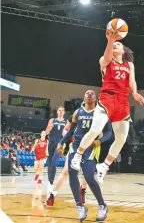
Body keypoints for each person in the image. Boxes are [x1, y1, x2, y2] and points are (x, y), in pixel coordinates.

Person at [71, 30, 144, 183]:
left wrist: (135, 93)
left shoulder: (129, 64)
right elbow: (106, 56)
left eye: (118, 44)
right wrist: (110, 41)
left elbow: (132, 80)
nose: (115, 46)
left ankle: (104, 167)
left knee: (121, 139)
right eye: (114, 45)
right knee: (95, 130)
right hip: (107, 98)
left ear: (124, 51)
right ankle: (78, 155)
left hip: (122, 101)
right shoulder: (105, 60)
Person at [57, 90, 112, 221]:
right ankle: (80, 206)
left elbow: (109, 132)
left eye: (92, 93)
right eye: (87, 93)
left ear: (96, 98)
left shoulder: (101, 113)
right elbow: (70, 131)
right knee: (72, 172)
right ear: (84, 97)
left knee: (88, 176)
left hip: (90, 147)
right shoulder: (77, 112)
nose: (89, 94)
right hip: (76, 146)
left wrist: (100, 141)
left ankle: (102, 205)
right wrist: (60, 143)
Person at [46, 115, 88, 206]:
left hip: (87, 147)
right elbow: (65, 130)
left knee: (87, 172)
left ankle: (83, 189)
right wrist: (71, 136)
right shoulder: (76, 114)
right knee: (65, 172)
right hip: (75, 146)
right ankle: (53, 195)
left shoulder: (95, 115)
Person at [45, 106, 68, 196]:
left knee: (54, 161)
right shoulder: (52, 120)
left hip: (60, 143)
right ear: (57, 111)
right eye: (59, 110)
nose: (61, 111)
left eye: (62, 110)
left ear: (64, 112)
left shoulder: (66, 122)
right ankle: (49, 182)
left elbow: (66, 133)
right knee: (50, 162)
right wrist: (49, 128)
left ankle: (51, 182)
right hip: (51, 142)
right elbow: (46, 132)